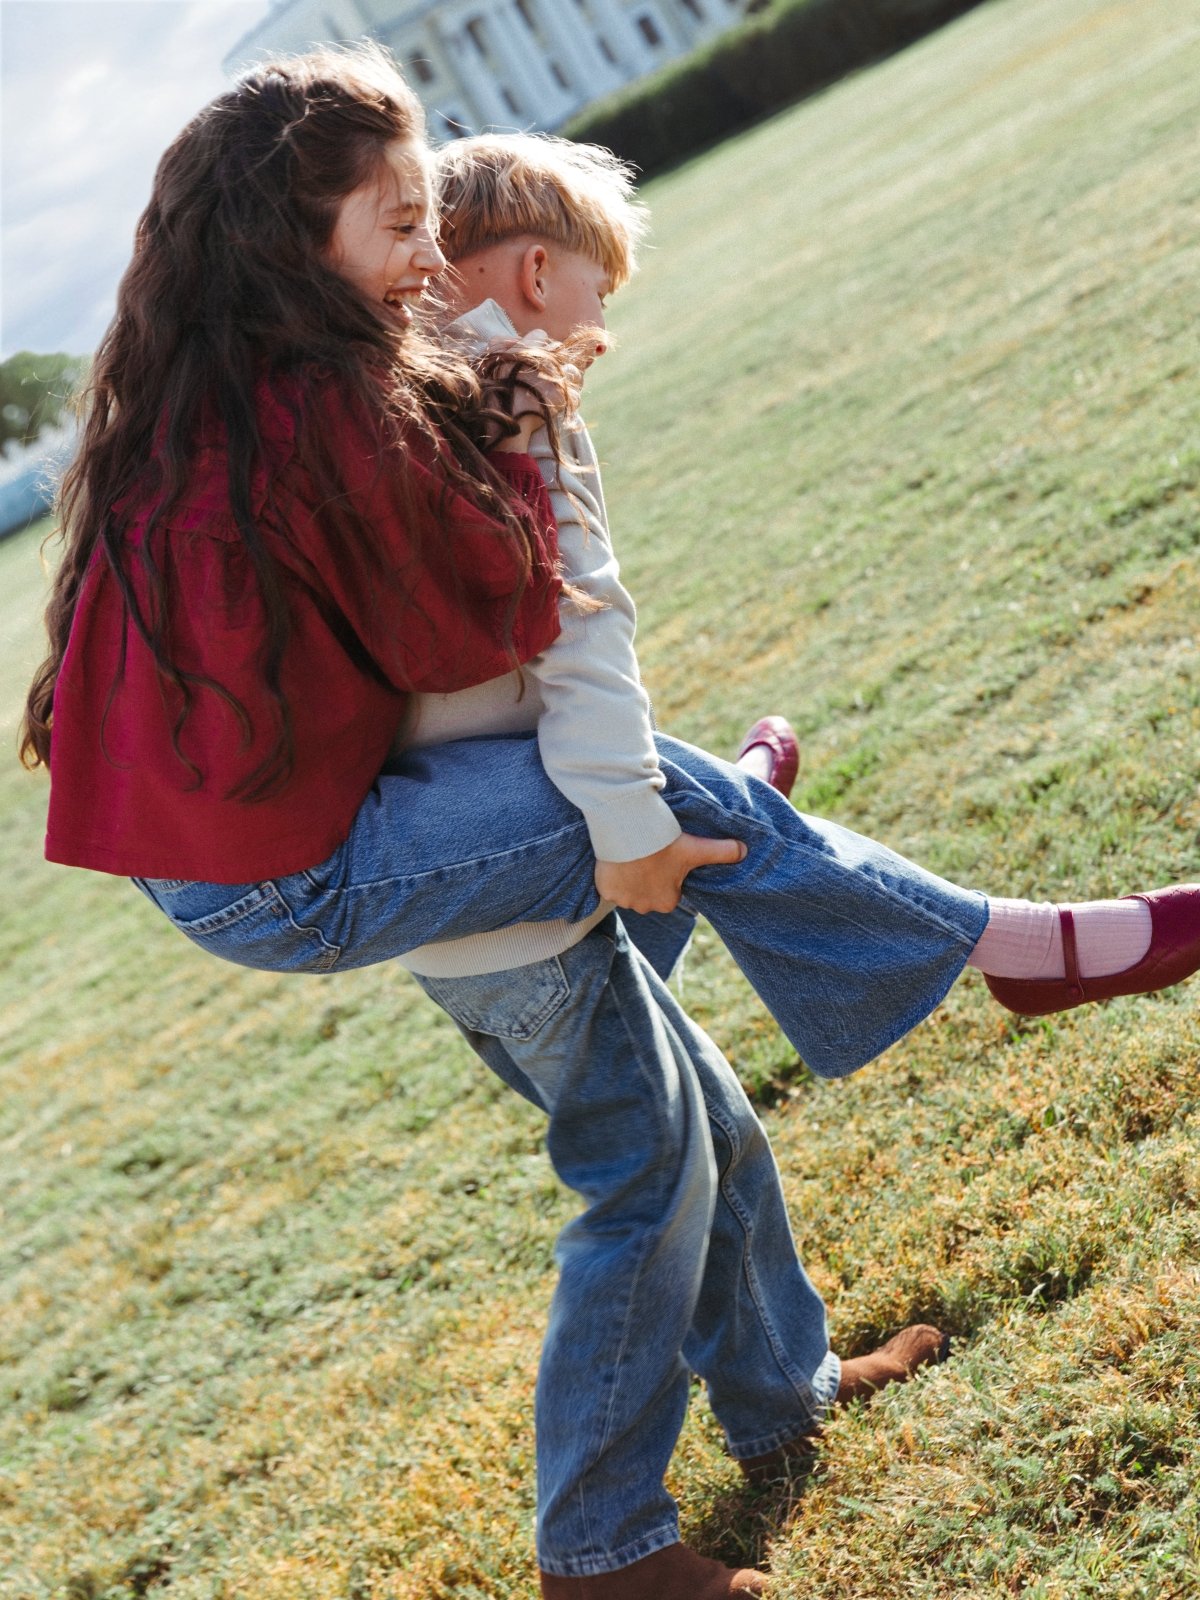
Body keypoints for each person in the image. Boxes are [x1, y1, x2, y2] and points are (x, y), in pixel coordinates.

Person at [22, 55, 1200, 1600]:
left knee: (702, 1118)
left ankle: (780, 1388)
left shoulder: (250, 389)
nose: (428, 260)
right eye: (397, 222)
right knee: (654, 1020)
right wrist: (518, 414)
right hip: (295, 880)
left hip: (289, 845)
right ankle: (602, 1546)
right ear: (290, 236)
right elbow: (495, 625)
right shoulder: (320, 408)